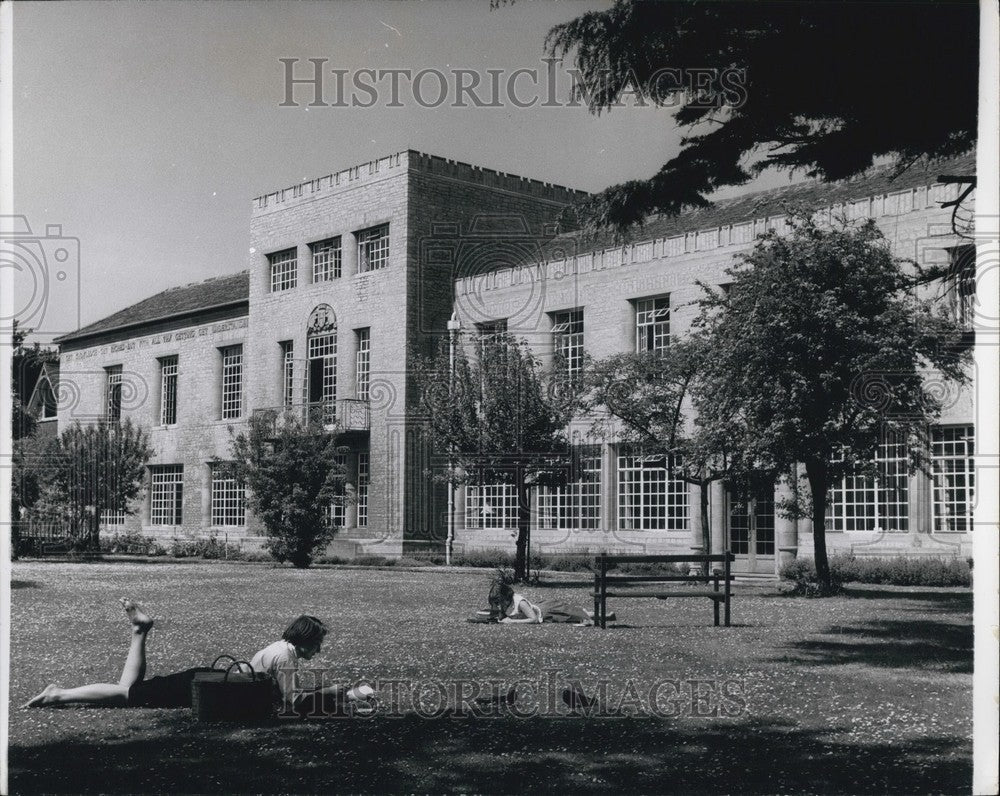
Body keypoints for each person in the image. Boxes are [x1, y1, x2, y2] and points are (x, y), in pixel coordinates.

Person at [22, 600, 373, 715]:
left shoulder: (283, 650)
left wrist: (336, 693)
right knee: (128, 695)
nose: (320, 650)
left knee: (129, 689)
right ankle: (58, 694)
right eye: (319, 644)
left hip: (211, 679)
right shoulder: (285, 657)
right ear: (306, 641)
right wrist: (338, 695)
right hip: (205, 684)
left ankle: (140, 631)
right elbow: (293, 703)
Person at [486, 572, 614, 626]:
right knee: (574, 616)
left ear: (505, 597)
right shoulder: (505, 605)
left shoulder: (520, 603)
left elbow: (534, 619)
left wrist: (511, 622)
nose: (497, 606)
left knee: (572, 613)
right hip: (545, 612)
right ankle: (605, 616)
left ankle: (604, 616)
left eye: (498, 603)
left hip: (547, 611)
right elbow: (502, 616)